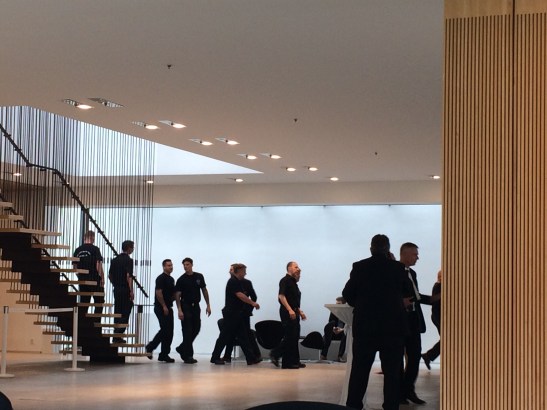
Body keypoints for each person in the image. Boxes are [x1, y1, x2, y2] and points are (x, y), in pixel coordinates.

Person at [342, 234, 408, 410]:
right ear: (388, 249)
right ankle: (391, 406)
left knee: (359, 371)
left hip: (365, 328)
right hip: (392, 329)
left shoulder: (359, 267)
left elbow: (347, 294)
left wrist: (361, 304)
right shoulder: (397, 268)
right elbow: (408, 292)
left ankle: (353, 406)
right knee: (392, 374)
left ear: (371, 248)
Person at [399, 242, 432, 405]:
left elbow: (415, 296)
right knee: (397, 359)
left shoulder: (412, 273)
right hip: (399, 321)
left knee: (414, 356)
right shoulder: (394, 271)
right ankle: (400, 392)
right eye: (414, 254)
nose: (417, 257)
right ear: (404, 254)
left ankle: (408, 390)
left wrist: (434, 299)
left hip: (413, 320)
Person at [210, 263, 261, 365]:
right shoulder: (233, 281)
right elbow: (240, 295)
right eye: (244, 271)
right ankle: (215, 357)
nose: (245, 273)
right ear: (239, 271)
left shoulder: (238, 282)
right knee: (224, 336)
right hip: (231, 314)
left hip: (238, 313)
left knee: (243, 336)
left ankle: (251, 358)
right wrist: (252, 303)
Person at [270, 261, 307, 369]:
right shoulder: (285, 280)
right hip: (287, 312)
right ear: (289, 268)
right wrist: (290, 310)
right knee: (290, 336)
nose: (298, 269)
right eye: (296, 267)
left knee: (295, 336)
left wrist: (299, 311)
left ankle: (295, 361)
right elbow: (281, 296)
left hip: (294, 312)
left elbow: (293, 300)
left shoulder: (294, 283)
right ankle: (281, 358)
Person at [174, 257, 211, 364]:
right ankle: (188, 355)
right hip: (185, 306)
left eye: (187, 264)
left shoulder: (199, 276)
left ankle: (182, 347)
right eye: (184, 265)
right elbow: (177, 295)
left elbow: (204, 290)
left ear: (191, 265)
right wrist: (179, 310)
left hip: (196, 306)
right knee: (187, 330)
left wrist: (208, 305)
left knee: (196, 328)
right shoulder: (181, 279)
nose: (185, 266)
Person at [146, 259, 176, 363]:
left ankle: (164, 354)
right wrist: (164, 306)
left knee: (169, 332)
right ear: (164, 267)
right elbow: (158, 293)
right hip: (161, 308)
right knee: (165, 330)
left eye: (171, 265)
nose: (171, 267)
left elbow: (172, 294)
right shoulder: (161, 278)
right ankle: (150, 347)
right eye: (168, 265)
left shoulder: (171, 279)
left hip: (169, 307)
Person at [108, 240, 135, 344]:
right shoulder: (129, 260)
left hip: (117, 289)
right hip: (125, 289)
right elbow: (129, 276)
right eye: (132, 247)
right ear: (129, 248)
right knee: (126, 310)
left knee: (118, 311)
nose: (133, 249)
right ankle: (118, 333)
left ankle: (116, 335)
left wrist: (115, 284)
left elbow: (110, 276)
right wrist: (131, 291)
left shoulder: (114, 260)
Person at [73, 230, 105, 314]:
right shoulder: (95, 249)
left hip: (82, 280)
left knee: (84, 302)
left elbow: (74, 267)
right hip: (94, 279)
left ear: (84, 238)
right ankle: (95, 321)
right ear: (92, 238)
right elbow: (98, 265)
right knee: (99, 302)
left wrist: (80, 276)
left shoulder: (77, 250)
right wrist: (102, 278)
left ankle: (82, 321)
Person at [422, 270, 442, 369]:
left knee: (446, 340)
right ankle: (428, 355)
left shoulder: (438, 285)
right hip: (439, 317)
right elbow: (435, 303)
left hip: (438, 316)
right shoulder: (439, 286)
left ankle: (428, 356)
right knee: (447, 340)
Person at [320, 296, 347, 362]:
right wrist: (334, 328)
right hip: (335, 331)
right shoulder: (333, 312)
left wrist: (342, 329)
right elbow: (330, 323)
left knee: (345, 334)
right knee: (327, 334)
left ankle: (340, 356)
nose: (336, 305)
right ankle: (323, 355)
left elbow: (349, 326)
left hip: (343, 331)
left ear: (344, 304)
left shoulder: (347, 313)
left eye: (339, 304)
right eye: (336, 304)